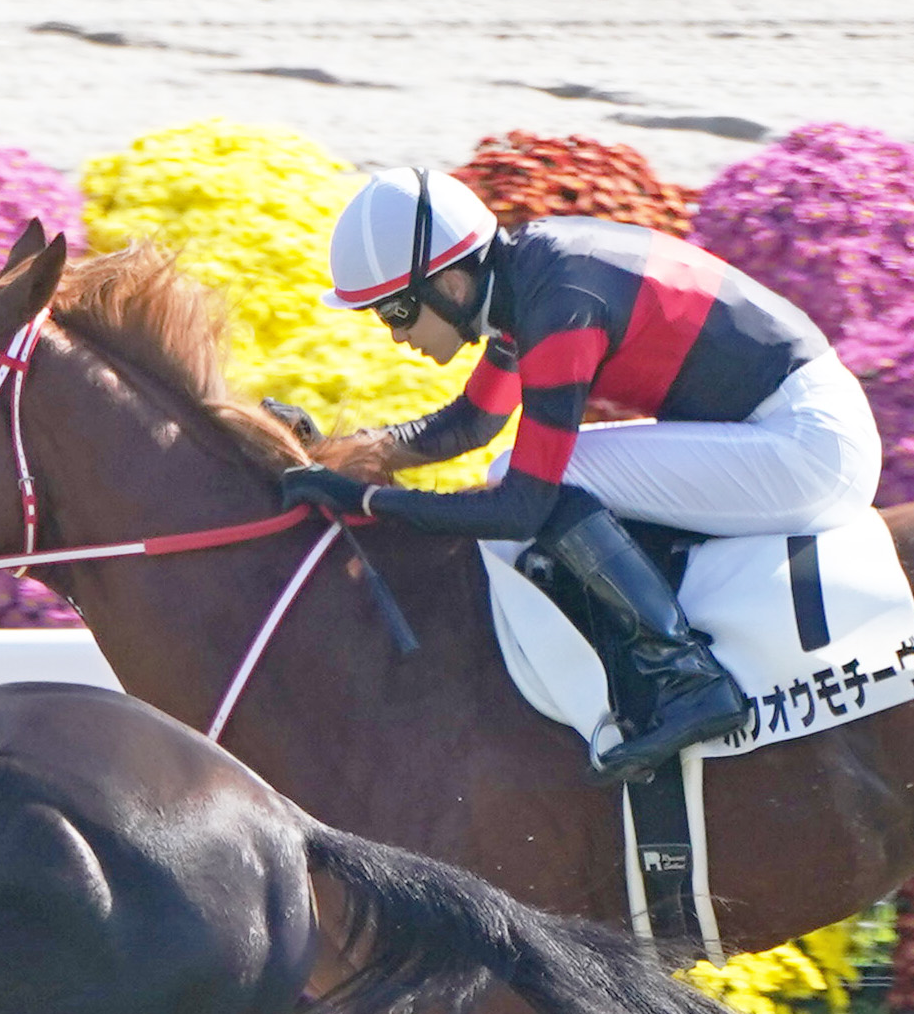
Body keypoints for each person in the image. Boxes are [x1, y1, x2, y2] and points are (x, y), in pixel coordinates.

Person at [279, 170, 883, 784]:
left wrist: (368, 500)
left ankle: (685, 676)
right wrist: (327, 450)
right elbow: (472, 422)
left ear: (452, 281)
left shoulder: (559, 300)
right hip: (797, 426)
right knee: (515, 466)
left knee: (548, 478)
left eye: (397, 310)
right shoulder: (527, 277)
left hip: (808, 447)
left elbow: (523, 508)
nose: (398, 336)